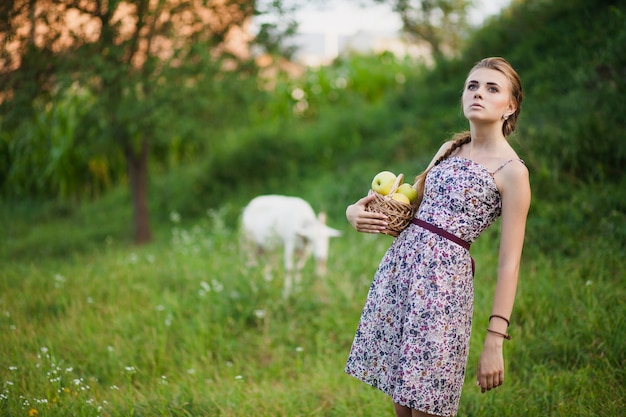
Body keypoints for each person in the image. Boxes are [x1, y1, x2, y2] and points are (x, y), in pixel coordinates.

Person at [344, 57, 531, 417]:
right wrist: (355, 210)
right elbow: (405, 208)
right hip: (401, 276)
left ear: (510, 106)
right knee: (402, 405)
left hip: (443, 291)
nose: (479, 93)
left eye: (492, 88)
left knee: (427, 405)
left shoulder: (512, 172)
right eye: (472, 86)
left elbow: (509, 262)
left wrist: (495, 340)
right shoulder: (448, 150)